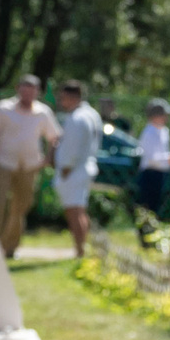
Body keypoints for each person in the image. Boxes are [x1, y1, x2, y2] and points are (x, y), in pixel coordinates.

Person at [0, 74, 60, 258]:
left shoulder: (42, 112)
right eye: (25, 90)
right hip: (3, 162)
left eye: (32, 91)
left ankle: (10, 246)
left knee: (21, 207)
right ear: (18, 90)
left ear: (37, 93)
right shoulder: (4, 108)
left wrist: (48, 158)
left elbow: (54, 137)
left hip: (29, 165)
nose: (28, 94)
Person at [54, 79, 102, 256]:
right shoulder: (91, 114)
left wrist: (65, 168)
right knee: (79, 209)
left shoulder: (77, 118)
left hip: (74, 169)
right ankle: (83, 248)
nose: (61, 101)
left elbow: (71, 148)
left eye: (63, 98)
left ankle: (80, 250)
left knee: (74, 211)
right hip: (86, 166)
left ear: (71, 97)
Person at [134, 98, 170, 219]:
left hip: (161, 174)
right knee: (148, 207)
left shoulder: (164, 131)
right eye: (163, 115)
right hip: (150, 174)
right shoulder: (149, 132)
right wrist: (169, 159)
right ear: (154, 116)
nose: (166, 118)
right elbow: (151, 158)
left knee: (157, 207)